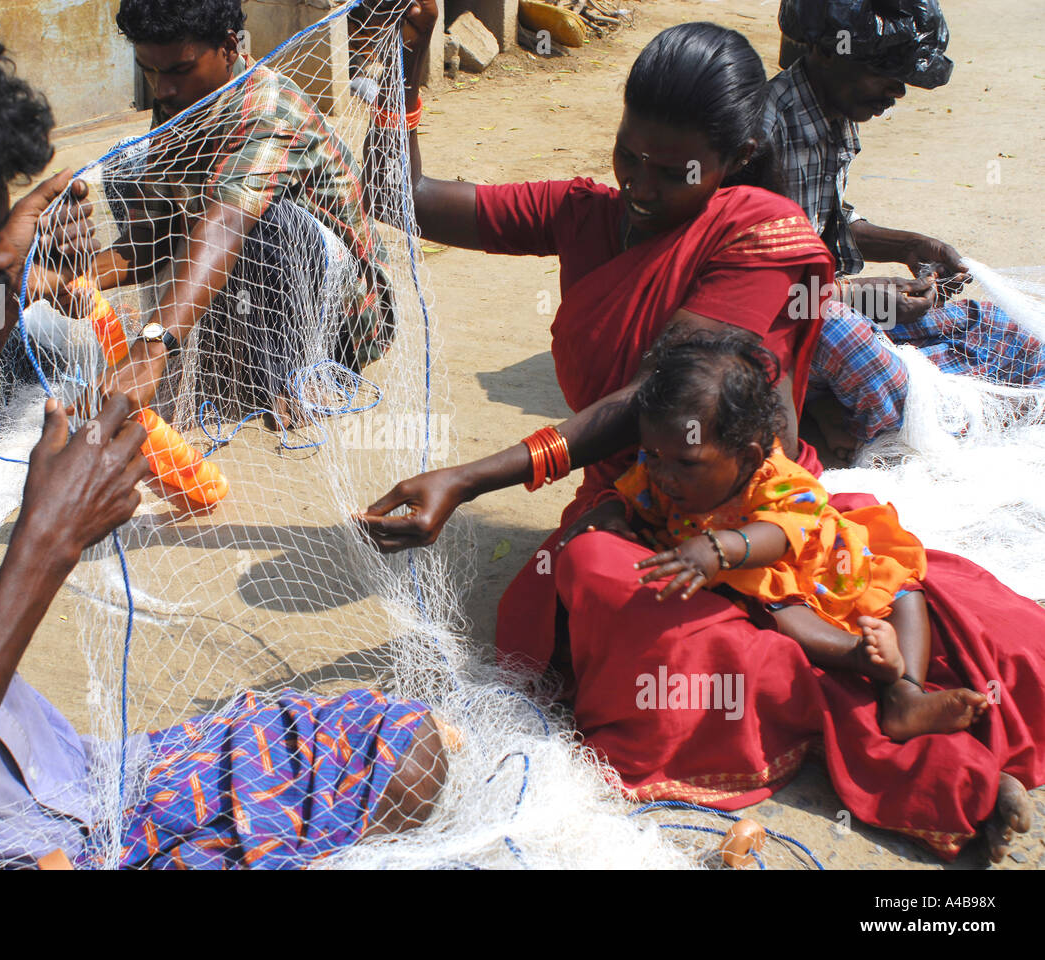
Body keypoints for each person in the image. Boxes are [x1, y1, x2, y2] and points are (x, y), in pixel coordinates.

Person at [0, 13, 442, 869]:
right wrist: (45, 545)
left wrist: (38, 270)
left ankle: (297, 381)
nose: (7, 264)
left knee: (404, 750)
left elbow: (203, 236)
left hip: (69, 786)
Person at [359, 5, 1042, 862]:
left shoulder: (758, 236)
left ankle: (916, 744)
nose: (641, 187)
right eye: (628, 155)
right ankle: (851, 683)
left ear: (735, 162)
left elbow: (659, 397)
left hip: (744, 494)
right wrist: (397, 68)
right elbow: (402, 197)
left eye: (672, 169)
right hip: (646, 497)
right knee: (592, 579)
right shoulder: (584, 213)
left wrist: (469, 479)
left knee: (775, 619)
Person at [613, 330, 987, 742]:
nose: (663, 475)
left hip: (824, 561)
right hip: (770, 584)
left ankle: (906, 693)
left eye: (685, 462)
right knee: (775, 608)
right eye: (653, 455)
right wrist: (607, 512)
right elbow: (629, 498)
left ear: (749, 458)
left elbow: (780, 533)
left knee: (903, 588)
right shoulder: (662, 471)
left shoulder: (782, 480)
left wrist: (721, 547)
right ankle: (856, 655)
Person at [50, 0, 396, 428]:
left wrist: (149, 349)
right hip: (245, 273)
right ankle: (221, 348)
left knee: (272, 221)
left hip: (342, 308)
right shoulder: (180, 101)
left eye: (178, 70)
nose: (162, 90)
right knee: (128, 168)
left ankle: (298, 373)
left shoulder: (268, 107)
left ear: (229, 49)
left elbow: (224, 224)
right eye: (149, 70)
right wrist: (69, 277)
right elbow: (150, 236)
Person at [766, 0, 1045, 458]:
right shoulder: (762, 133)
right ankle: (887, 423)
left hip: (821, 306)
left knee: (987, 328)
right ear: (829, 51)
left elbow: (826, 220)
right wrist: (862, 297)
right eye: (884, 71)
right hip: (781, 329)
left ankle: (847, 410)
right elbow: (758, 287)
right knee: (847, 336)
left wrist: (911, 245)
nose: (897, 92)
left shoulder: (830, 113)